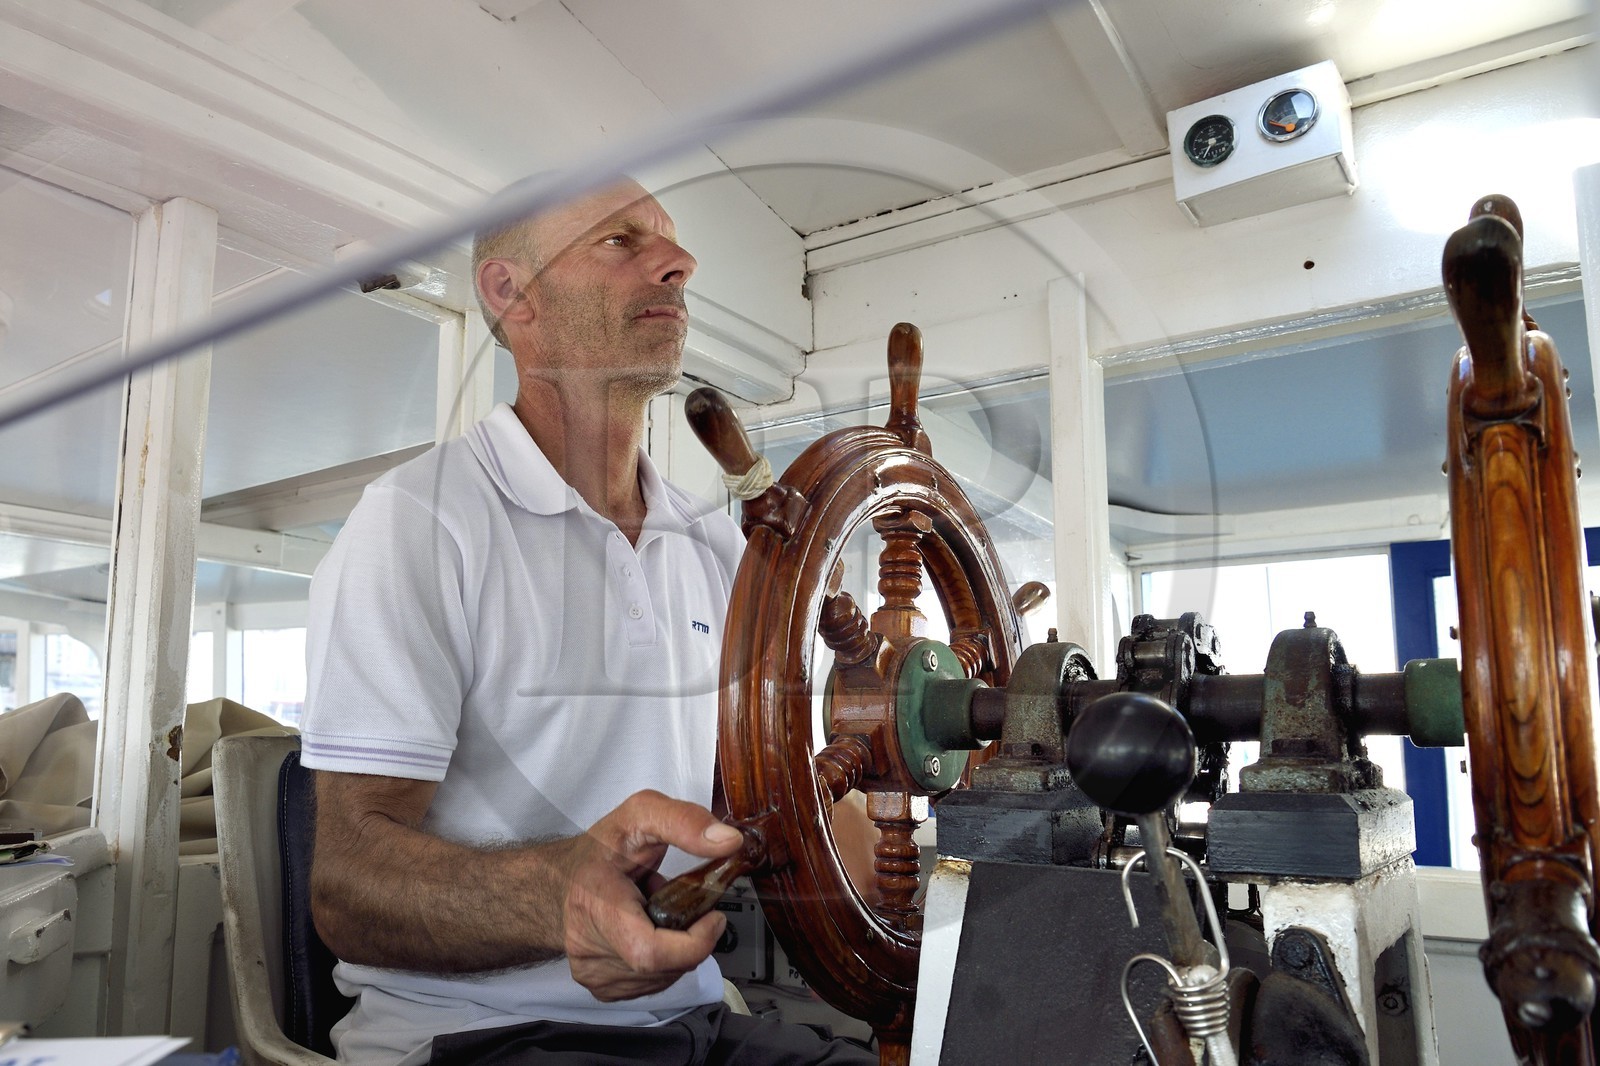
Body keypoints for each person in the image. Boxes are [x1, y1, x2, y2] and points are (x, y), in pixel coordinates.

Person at [300, 177, 878, 1066]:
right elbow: (346, 889)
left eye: (674, 246)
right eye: (619, 241)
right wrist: (556, 892)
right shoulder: (419, 523)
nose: (678, 265)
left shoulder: (719, 549)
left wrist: (883, 737)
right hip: (475, 1041)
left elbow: (787, 813)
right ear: (510, 293)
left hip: (692, 1023)